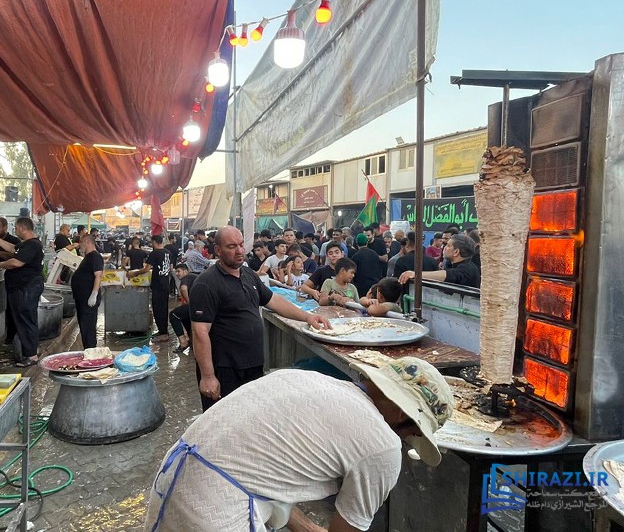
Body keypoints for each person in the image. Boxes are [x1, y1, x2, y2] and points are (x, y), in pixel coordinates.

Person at [143, 356, 454, 532]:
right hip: (213, 515)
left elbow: (259, 474)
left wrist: (306, 527)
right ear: (402, 413)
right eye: (414, 431)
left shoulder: (310, 381)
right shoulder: (382, 445)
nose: (408, 438)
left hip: (170, 483)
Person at [189, 226, 330, 410]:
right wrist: (208, 376)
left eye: (241, 245)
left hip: (253, 364)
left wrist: (307, 317)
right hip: (225, 369)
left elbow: (274, 301)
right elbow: (199, 332)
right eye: (231, 246)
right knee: (224, 420)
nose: (239, 250)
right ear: (218, 250)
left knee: (250, 416)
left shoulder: (248, 274)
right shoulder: (206, 284)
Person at [0, 217, 44, 367]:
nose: (15, 231)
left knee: (26, 319)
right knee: (26, 318)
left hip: (26, 287)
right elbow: (14, 249)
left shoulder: (32, 245)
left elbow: (16, 262)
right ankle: (31, 351)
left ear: (21, 228)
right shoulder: (27, 244)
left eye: (15, 228)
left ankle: (31, 355)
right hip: (23, 287)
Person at [128, 234, 172, 342]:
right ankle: (163, 331)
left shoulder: (154, 253)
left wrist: (135, 273)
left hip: (158, 285)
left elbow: (147, 269)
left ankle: (163, 334)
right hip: (166, 284)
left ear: (155, 242)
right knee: (163, 308)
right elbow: (170, 268)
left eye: (152, 242)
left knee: (158, 309)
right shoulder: (168, 252)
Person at [399, 233, 480, 288]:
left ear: (456, 252)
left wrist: (416, 274)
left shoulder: (468, 269)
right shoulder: (451, 264)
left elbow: (450, 275)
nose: (443, 247)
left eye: (448, 245)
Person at [71, 234, 104, 348]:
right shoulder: (88, 257)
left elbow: (98, 276)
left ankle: (90, 351)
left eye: (81, 242)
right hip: (82, 298)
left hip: (88, 299)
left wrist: (94, 294)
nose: (80, 245)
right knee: (85, 328)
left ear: (87, 242)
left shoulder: (95, 256)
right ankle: (88, 350)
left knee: (88, 328)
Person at [169, 263, 197, 354]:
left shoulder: (187, 277)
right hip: (202, 305)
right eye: (176, 272)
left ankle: (183, 343)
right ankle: (192, 340)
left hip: (197, 305)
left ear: (185, 271)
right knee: (183, 315)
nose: (177, 274)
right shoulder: (194, 277)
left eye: (179, 271)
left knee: (173, 315)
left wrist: (189, 302)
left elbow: (183, 289)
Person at [351, 233, 383, 298]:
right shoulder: (374, 254)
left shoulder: (355, 256)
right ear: (367, 242)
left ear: (357, 243)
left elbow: (353, 274)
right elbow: (379, 270)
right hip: (374, 286)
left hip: (361, 287)